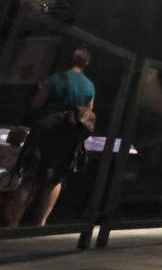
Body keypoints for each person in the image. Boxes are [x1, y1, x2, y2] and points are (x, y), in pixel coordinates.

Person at [1, 47, 95, 227]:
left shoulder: (55, 79)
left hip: (46, 129)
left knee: (30, 176)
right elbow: (88, 113)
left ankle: (13, 223)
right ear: (86, 64)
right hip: (69, 134)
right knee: (55, 179)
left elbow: (36, 103)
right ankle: (41, 222)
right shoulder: (89, 86)